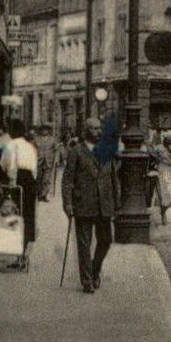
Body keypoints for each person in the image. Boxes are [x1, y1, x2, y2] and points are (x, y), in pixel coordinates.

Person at [62, 117, 119, 293]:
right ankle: (87, 280)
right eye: (95, 129)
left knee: (106, 240)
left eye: (100, 128)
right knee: (84, 244)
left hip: (104, 203)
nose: (99, 132)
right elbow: (67, 180)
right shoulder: (76, 151)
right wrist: (68, 203)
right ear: (86, 131)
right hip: (83, 203)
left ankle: (95, 270)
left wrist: (116, 202)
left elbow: (113, 177)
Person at [3, 121, 40, 269]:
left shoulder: (11, 145)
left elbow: (7, 164)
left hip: (18, 181)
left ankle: (18, 255)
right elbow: (35, 168)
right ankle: (24, 254)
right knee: (28, 216)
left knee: (15, 215)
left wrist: (11, 181)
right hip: (30, 182)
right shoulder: (29, 146)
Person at [149, 133, 171, 226]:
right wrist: (156, 159)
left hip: (170, 172)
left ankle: (163, 214)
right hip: (162, 171)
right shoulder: (159, 148)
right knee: (163, 195)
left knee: (169, 197)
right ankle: (163, 216)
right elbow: (151, 153)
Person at [34, 124, 58, 201]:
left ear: (48, 131)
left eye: (46, 129)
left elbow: (56, 150)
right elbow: (33, 149)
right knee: (39, 178)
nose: (44, 131)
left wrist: (56, 159)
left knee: (47, 179)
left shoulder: (53, 139)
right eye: (43, 129)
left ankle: (44, 194)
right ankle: (39, 193)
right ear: (40, 131)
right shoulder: (36, 139)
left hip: (49, 161)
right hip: (38, 161)